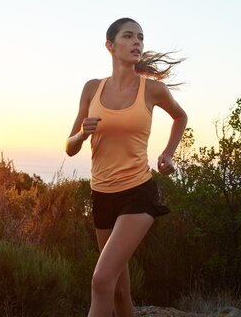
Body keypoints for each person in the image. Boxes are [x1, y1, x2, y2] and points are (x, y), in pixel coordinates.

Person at [66, 17, 188, 317]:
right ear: (110, 45)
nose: (138, 42)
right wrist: (82, 133)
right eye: (129, 36)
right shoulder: (92, 89)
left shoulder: (152, 90)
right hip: (102, 195)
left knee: (101, 279)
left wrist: (168, 154)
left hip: (138, 194)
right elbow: (69, 147)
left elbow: (180, 117)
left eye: (141, 38)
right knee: (120, 292)